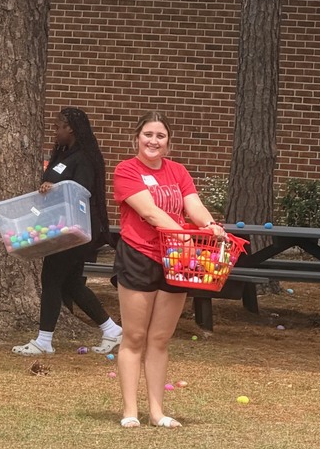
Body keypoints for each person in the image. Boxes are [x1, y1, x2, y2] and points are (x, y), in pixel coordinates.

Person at [112, 111, 225, 428]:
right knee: (134, 336)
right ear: (137, 137)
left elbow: (194, 205)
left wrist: (209, 225)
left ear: (168, 142)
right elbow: (149, 213)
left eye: (160, 136)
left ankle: (157, 412)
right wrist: (187, 238)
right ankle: (130, 412)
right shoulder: (127, 170)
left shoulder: (177, 171)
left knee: (160, 338)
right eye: (148, 134)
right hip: (140, 255)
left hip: (177, 258)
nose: (153, 141)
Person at [12, 108, 122, 357]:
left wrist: (57, 186)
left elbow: (81, 190)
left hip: (75, 230)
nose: (55, 131)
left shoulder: (83, 158)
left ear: (70, 128)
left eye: (58, 126)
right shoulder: (64, 155)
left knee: (51, 279)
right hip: (61, 228)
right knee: (70, 283)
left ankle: (44, 341)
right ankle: (112, 330)